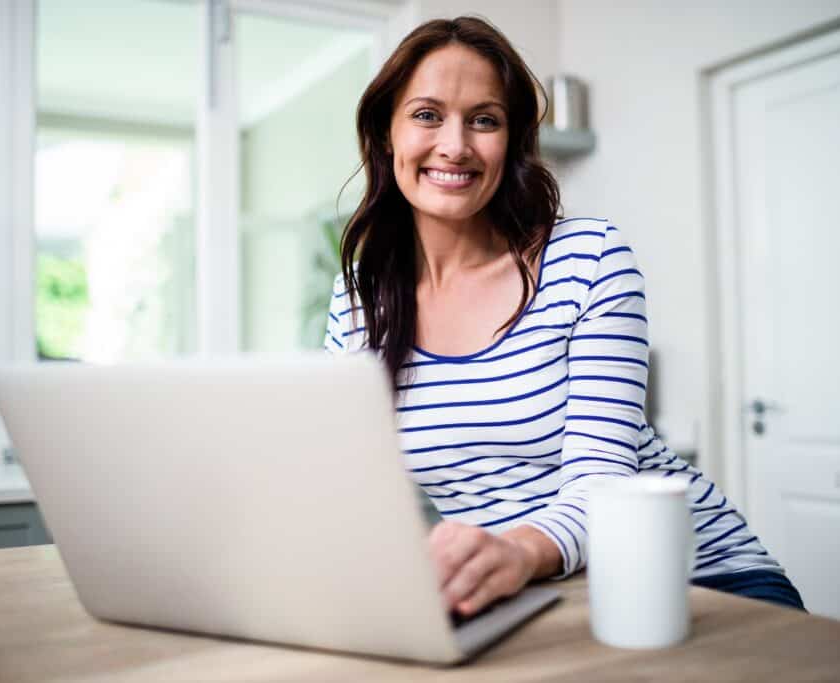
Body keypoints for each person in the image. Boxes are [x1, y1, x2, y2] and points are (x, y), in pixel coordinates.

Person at [324, 16, 804, 618]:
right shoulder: (359, 298)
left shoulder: (588, 258)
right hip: (527, 596)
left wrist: (515, 553)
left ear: (512, 142)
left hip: (699, 580)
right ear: (387, 133)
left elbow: (599, 481)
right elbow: (348, 481)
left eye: (484, 119)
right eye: (427, 115)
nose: (455, 144)